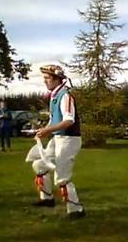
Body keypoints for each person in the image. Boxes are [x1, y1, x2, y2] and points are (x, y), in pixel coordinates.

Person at [30, 64, 86, 219]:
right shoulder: (55, 96)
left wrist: (48, 130)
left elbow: (69, 120)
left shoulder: (65, 96)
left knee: (62, 176)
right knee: (39, 165)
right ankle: (47, 199)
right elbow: (53, 120)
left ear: (57, 80)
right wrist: (43, 131)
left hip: (69, 139)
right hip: (58, 138)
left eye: (48, 78)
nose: (45, 81)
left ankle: (76, 209)